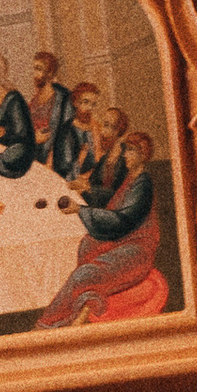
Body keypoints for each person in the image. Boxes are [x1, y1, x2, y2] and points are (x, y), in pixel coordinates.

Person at [37, 128, 166, 325]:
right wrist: (87, 188)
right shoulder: (132, 179)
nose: (125, 155)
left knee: (83, 275)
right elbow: (112, 199)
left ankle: (48, 323)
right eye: (126, 150)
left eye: (130, 151)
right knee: (86, 245)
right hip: (123, 242)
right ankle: (80, 306)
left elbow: (122, 220)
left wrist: (81, 210)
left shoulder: (143, 185)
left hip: (137, 251)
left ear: (143, 155)